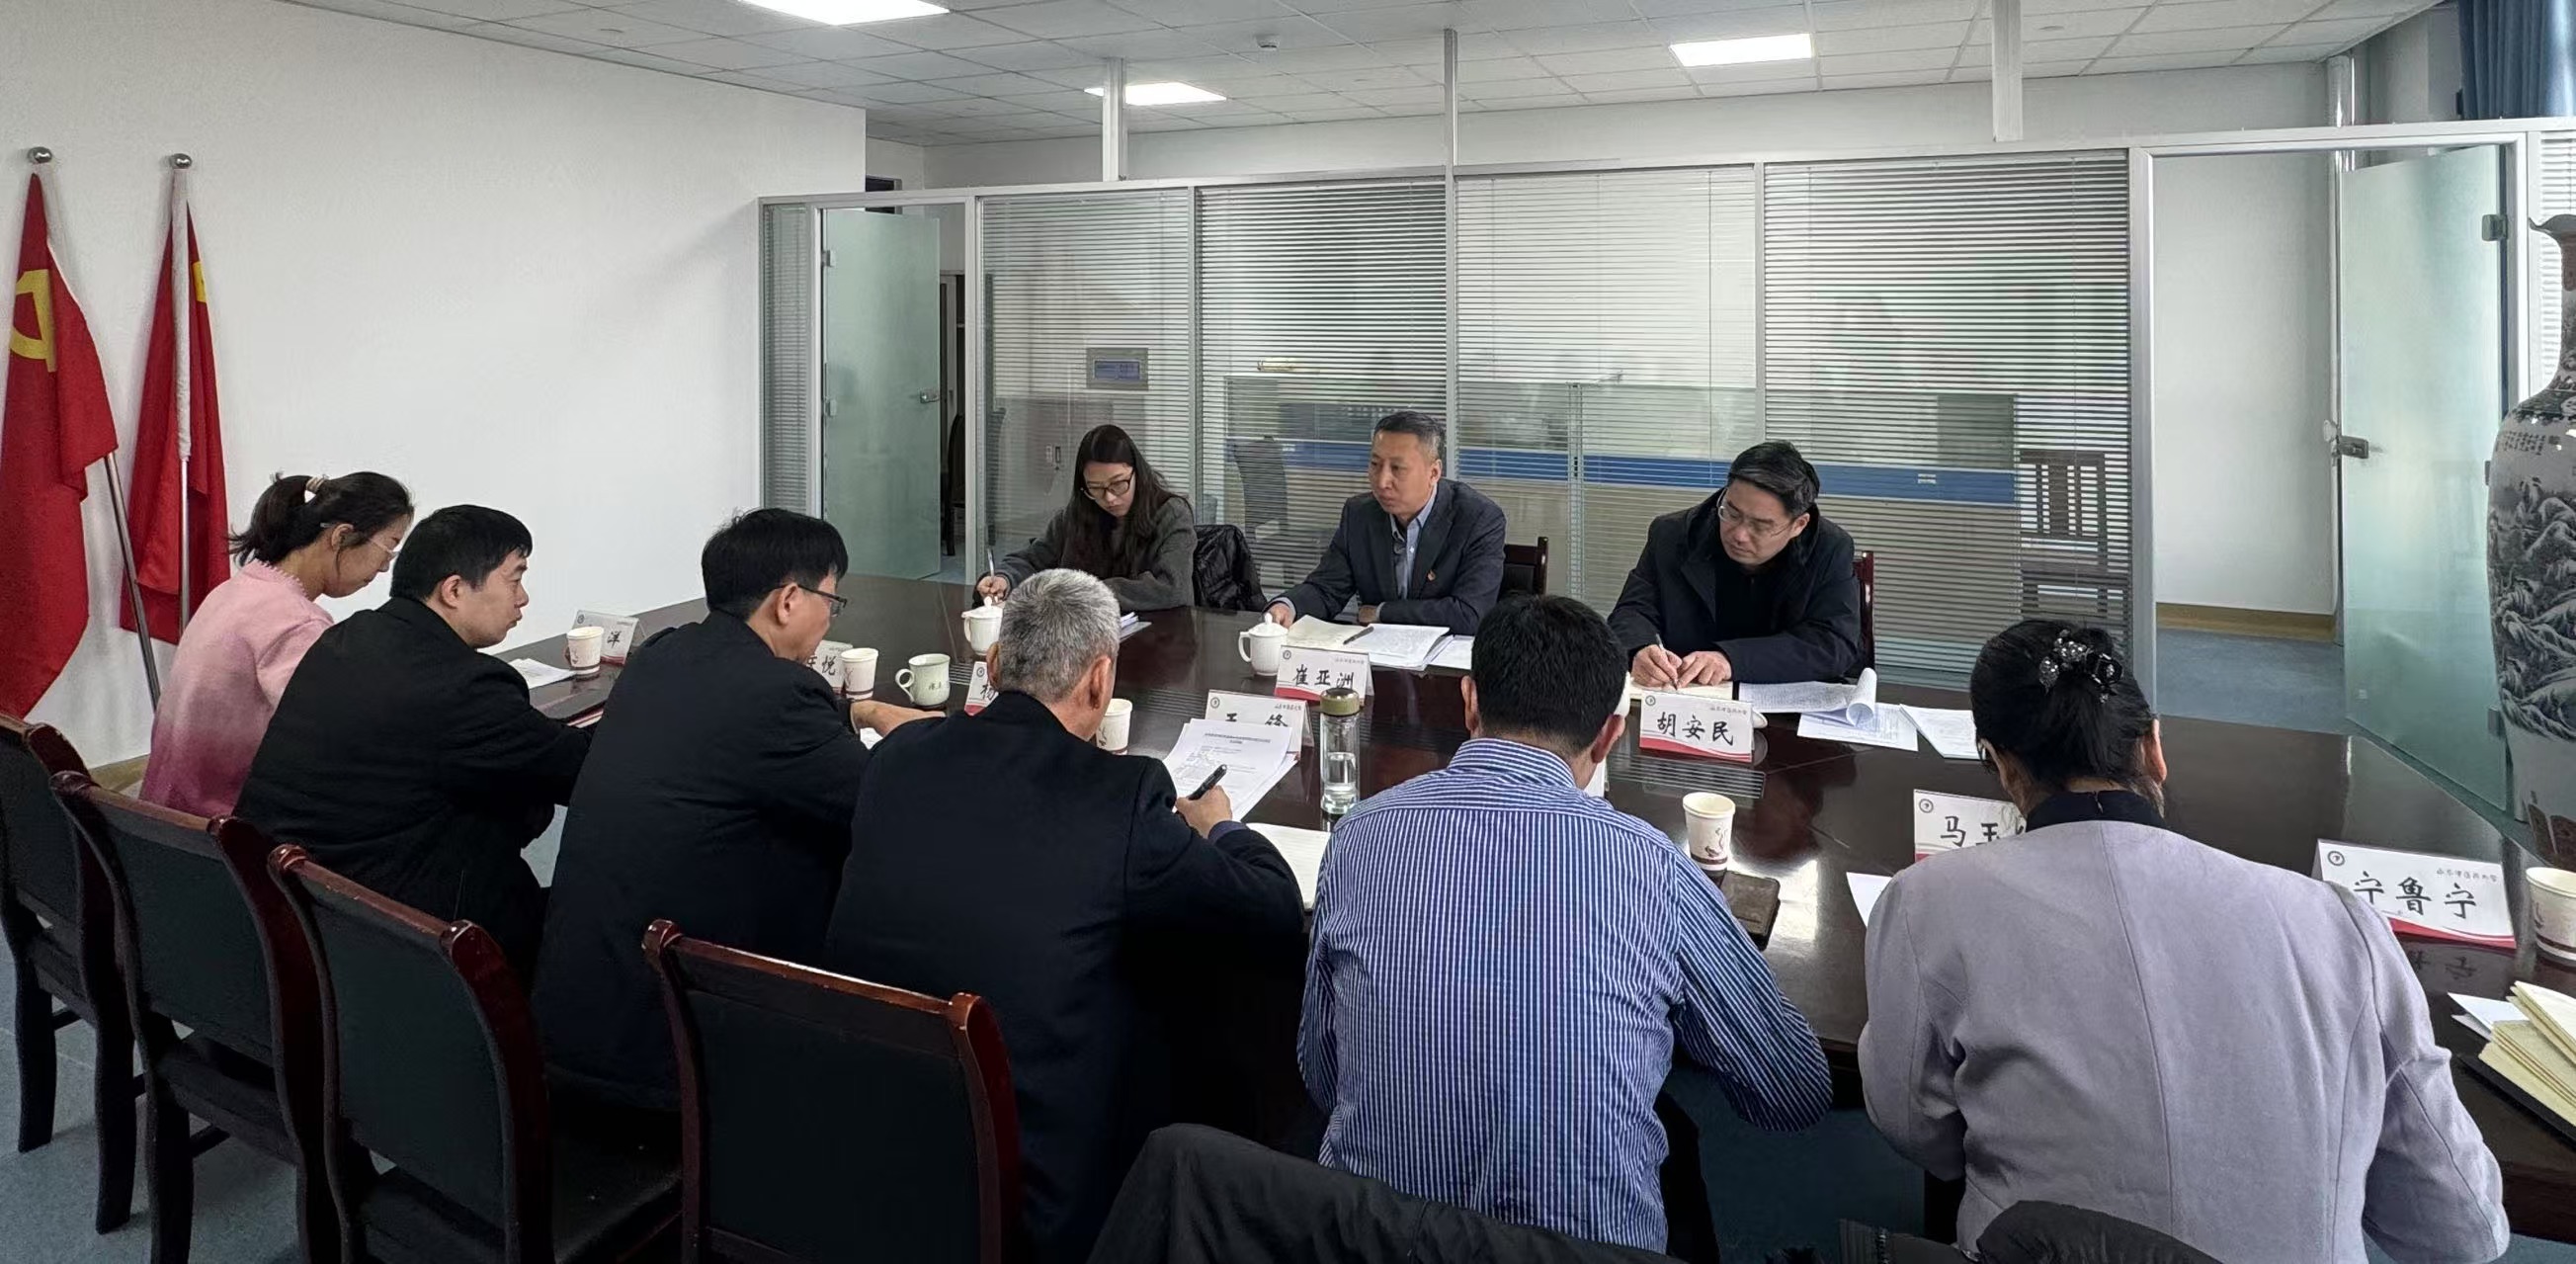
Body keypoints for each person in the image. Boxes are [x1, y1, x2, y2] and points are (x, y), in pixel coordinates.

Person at [1860, 620, 2511, 1263]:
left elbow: (1917, 1129)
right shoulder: (2340, 924)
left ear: (2003, 767)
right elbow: (2461, 1230)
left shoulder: (1927, 901)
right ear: (2152, 747)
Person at [1299, 595, 1832, 1253]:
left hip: (1370, 1240)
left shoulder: (1359, 835)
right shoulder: (1650, 867)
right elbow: (1791, 1090)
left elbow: (1322, 1073)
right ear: (1609, 735)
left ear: (1469, 701)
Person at [823, 568, 1303, 1263]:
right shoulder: (1120, 797)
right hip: (1034, 1193)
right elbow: (1273, 912)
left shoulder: (897, 760)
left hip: (862, 1147)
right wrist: (1220, 826)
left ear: (992, 666)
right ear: (1099, 681)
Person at [534, 510, 937, 1112]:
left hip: (578, 1012)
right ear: (789, 601)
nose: (831, 618)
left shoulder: (663, 655)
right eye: (831, 601)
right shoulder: (776, 695)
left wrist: (861, 711)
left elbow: (743, 726)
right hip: (668, 1052)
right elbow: (882, 808)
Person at [236, 505, 587, 971]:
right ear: (454, 590)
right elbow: (584, 772)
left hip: (291, 918)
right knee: (606, 919)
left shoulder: (346, 640)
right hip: (410, 945)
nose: (523, 598)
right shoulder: (463, 686)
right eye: (514, 578)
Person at [141, 472, 413, 817]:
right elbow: (336, 738)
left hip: (161, 808)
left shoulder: (239, 588)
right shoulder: (296, 622)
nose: (385, 568)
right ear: (341, 536)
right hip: (219, 824)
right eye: (388, 549)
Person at [1609, 440, 1863, 687]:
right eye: (1731, 512)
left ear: (1798, 525)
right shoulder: (1673, 534)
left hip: (1785, 703)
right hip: (1687, 695)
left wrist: (1731, 660)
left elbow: (1834, 642)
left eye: (1760, 525)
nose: (1739, 535)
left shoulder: (1829, 548)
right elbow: (1633, 610)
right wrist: (1640, 648)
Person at [1266, 410, 1506, 634]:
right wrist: (1288, 606)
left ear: (1433, 473)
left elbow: (1469, 614)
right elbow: (1327, 588)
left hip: (1445, 659)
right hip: (1377, 655)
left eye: (1397, 468)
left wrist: (1382, 612)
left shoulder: (1478, 518)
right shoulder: (1359, 515)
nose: (1381, 482)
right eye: (1375, 464)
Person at [978, 424, 1197, 613]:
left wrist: (1084, 591)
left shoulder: (1171, 514)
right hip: (1082, 634)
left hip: (1157, 635)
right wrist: (1005, 578)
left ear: (1137, 473)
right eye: (1096, 488)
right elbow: (1032, 560)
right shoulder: (1077, 514)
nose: (1109, 498)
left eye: (1118, 484)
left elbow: (1172, 588)